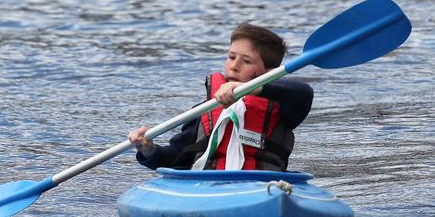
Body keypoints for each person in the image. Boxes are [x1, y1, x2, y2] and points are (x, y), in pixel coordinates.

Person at [128, 23, 313, 171]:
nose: (234, 66)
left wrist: (252, 88)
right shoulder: (204, 111)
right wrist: (148, 149)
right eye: (231, 57)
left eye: (246, 61)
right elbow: (175, 158)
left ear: (270, 73)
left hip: (263, 188)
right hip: (210, 189)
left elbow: (304, 93)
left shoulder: (282, 107)